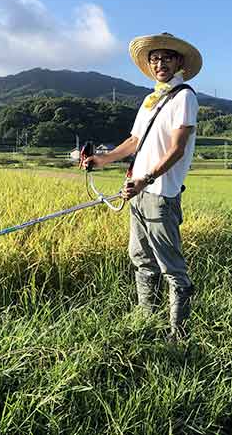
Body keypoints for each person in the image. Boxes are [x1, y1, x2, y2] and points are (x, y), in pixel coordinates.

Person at [82, 32, 201, 339]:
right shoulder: (151, 100)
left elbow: (176, 149)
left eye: (167, 58)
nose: (160, 63)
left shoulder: (183, 97)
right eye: (155, 59)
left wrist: (145, 179)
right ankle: (146, 320)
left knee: (171, 266)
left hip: (160, 193)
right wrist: (102, 160)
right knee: (141, 258)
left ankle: (179, 334)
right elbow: (135, 141)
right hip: (138, 190)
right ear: (149, 65)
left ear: (179, 62)